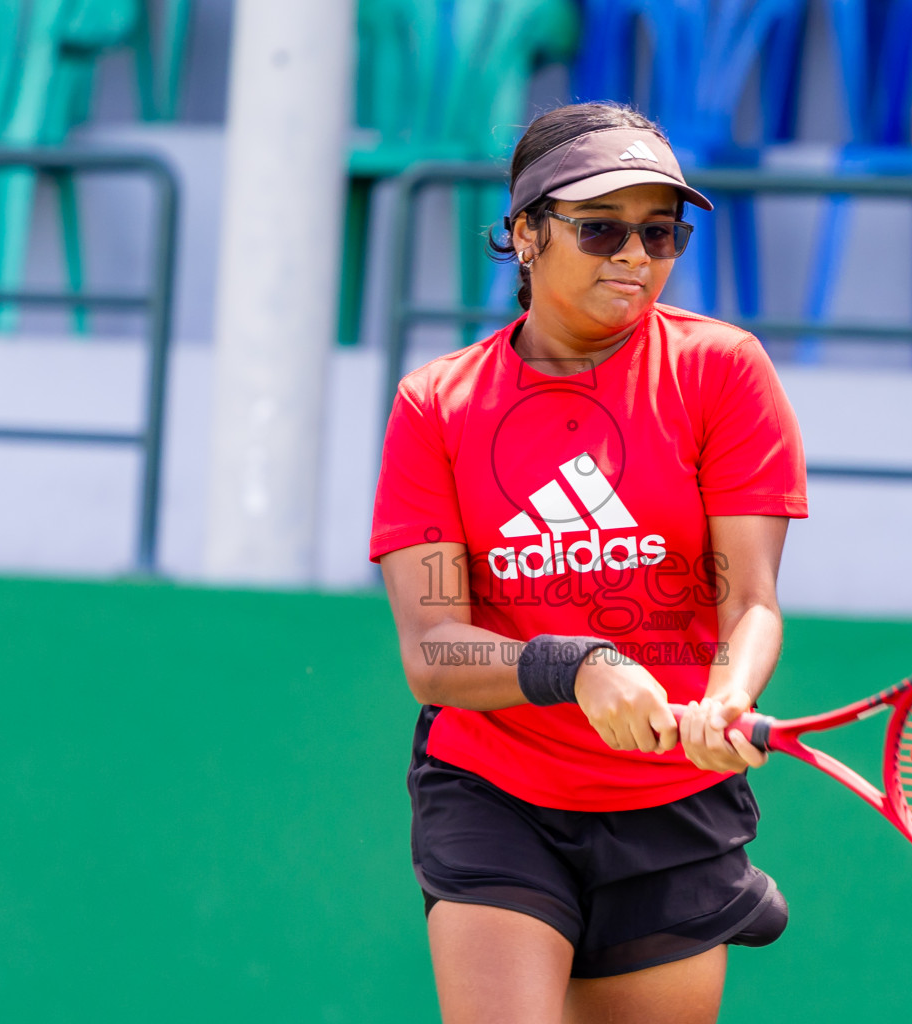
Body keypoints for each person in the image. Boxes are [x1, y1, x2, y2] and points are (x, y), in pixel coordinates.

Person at [370, 102, 808, 1024]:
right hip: (500, 788)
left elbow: (752, 602)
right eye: (601, 227)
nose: (635, 256)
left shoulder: (723, 372)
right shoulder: (436, 405)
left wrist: (727, 696)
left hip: (672, 805)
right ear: (525, 234)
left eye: (662, 232)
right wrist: (577, 665)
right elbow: (434, 653)